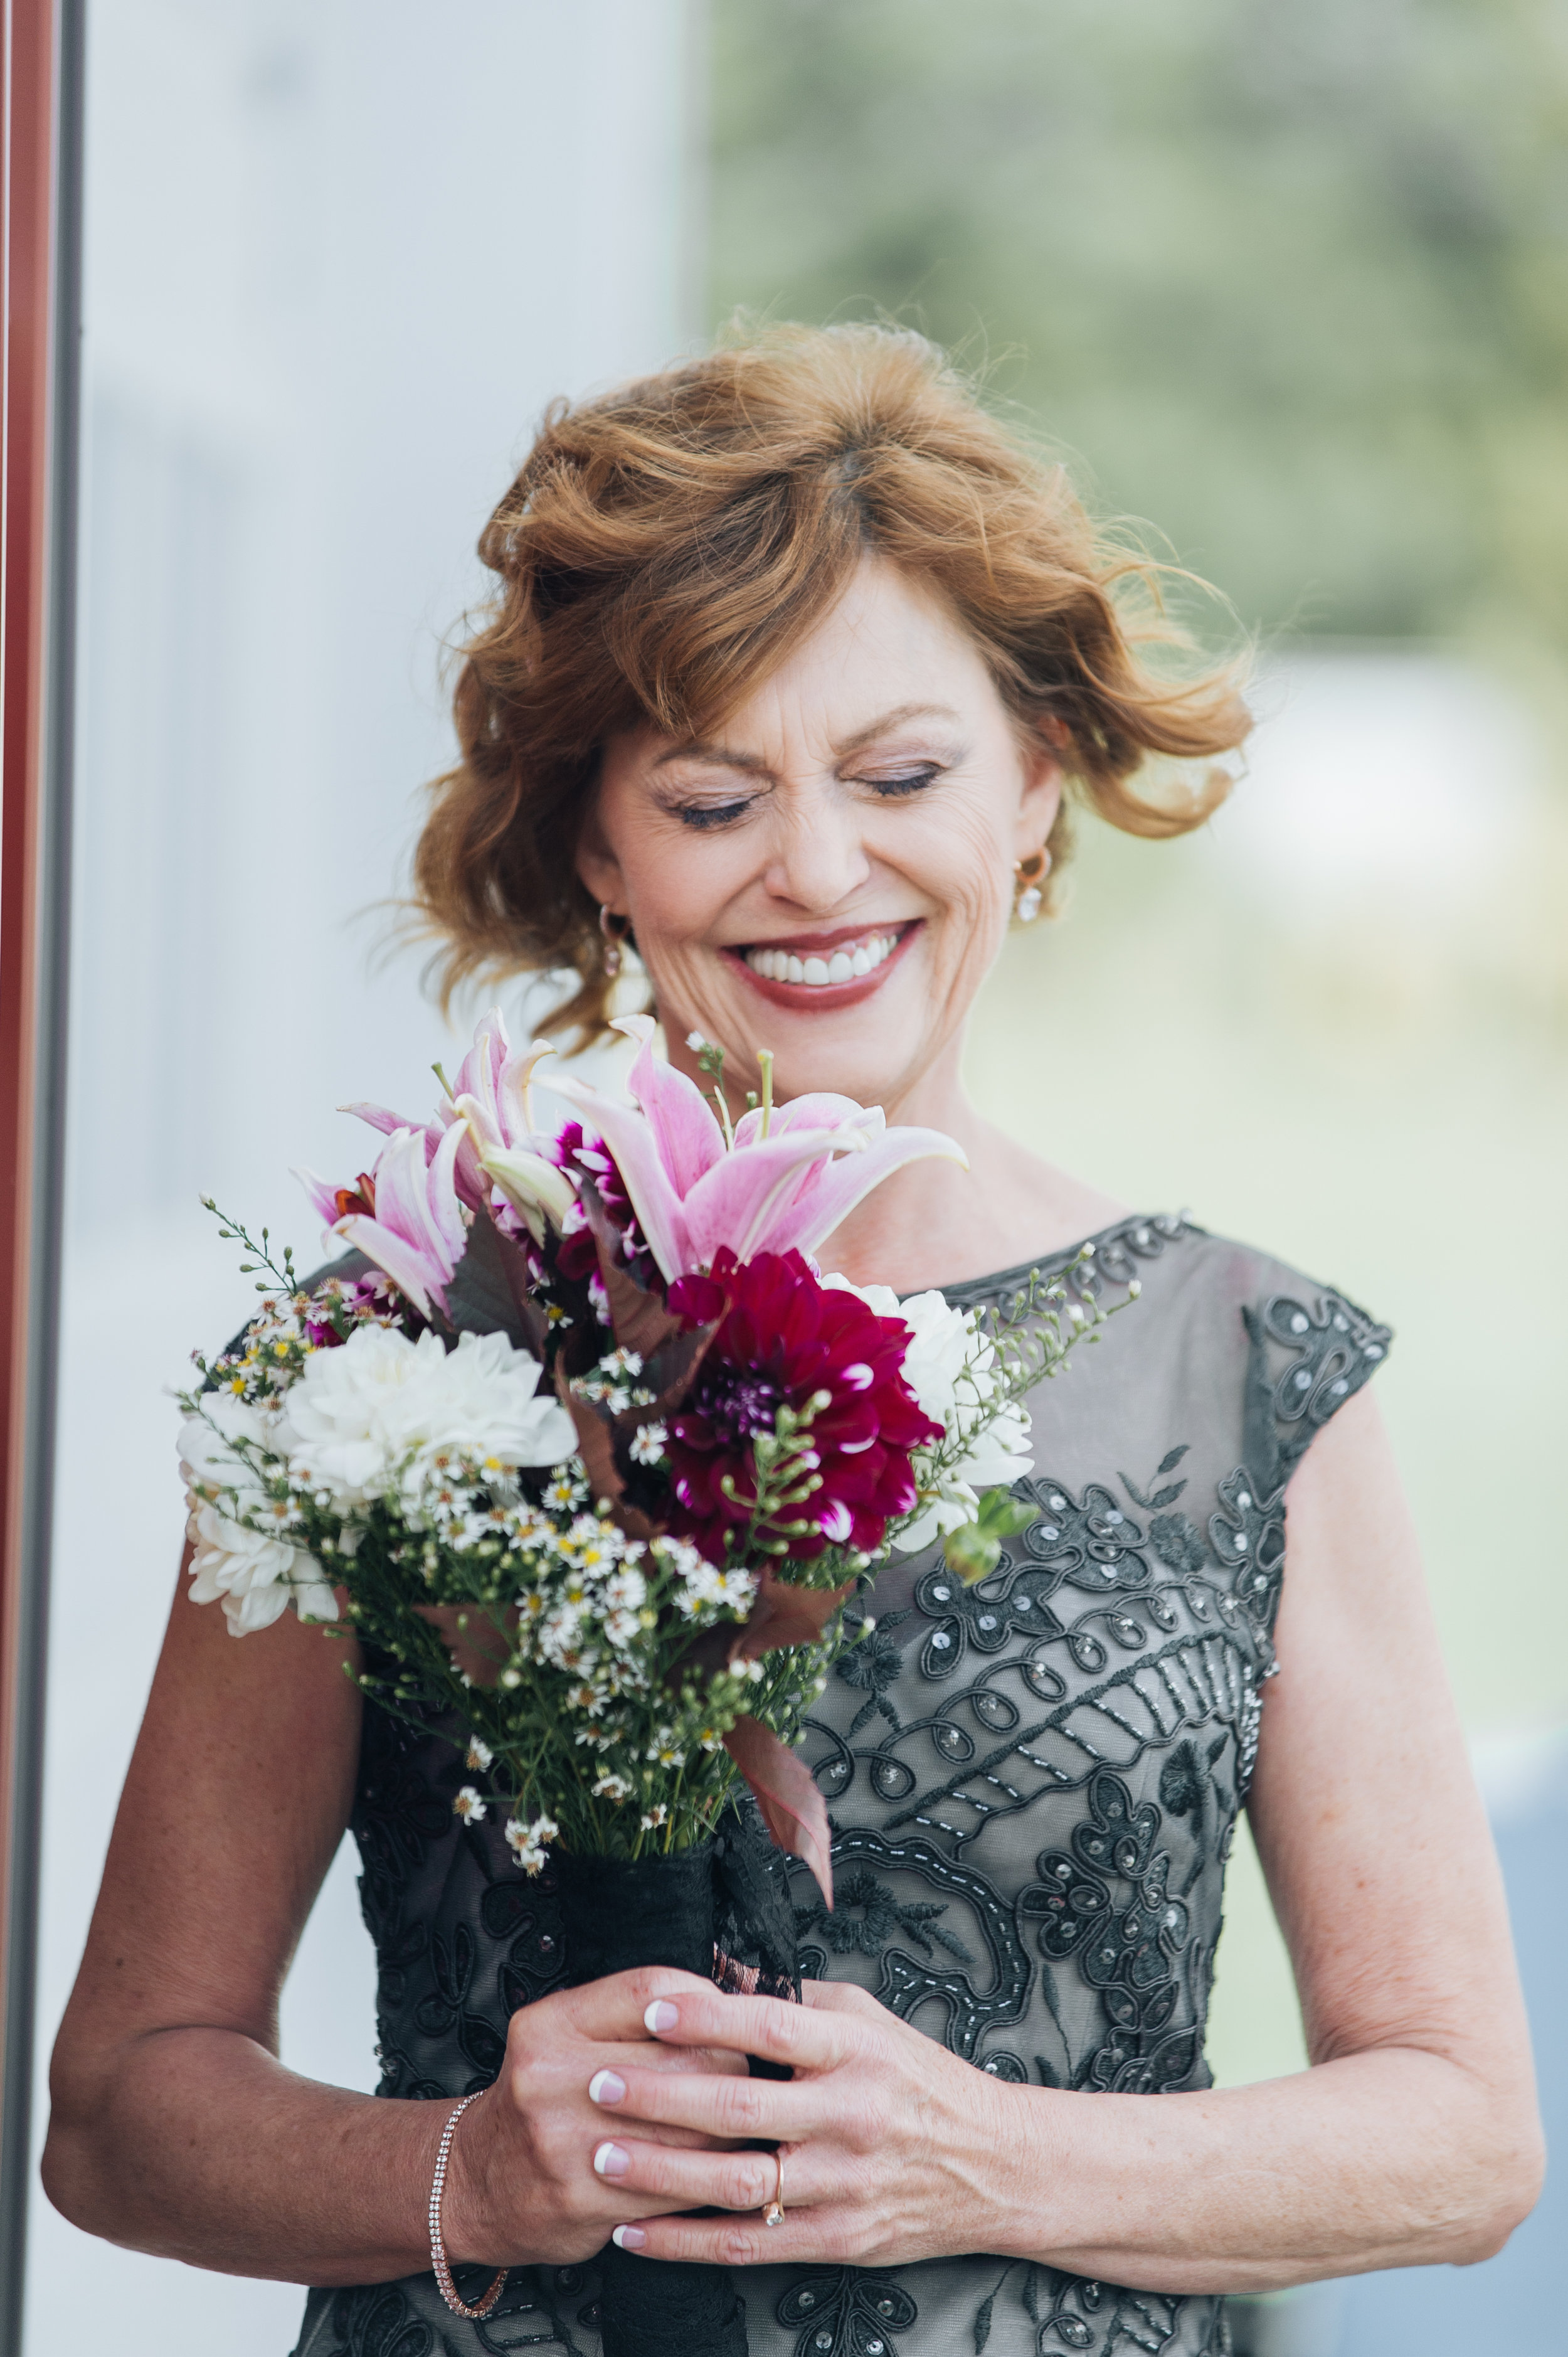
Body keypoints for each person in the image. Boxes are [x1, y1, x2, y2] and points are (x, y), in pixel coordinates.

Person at [43, 326, 1542, 2357]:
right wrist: (473, 2170)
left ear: (1034, 785)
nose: (818, 869)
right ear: (597, 845)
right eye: (711, 796)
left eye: (900, 775)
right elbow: (120, 2116)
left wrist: (980, 2158)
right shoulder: (384, 1362)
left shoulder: (1245, 1368)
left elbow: (1459, 2142)